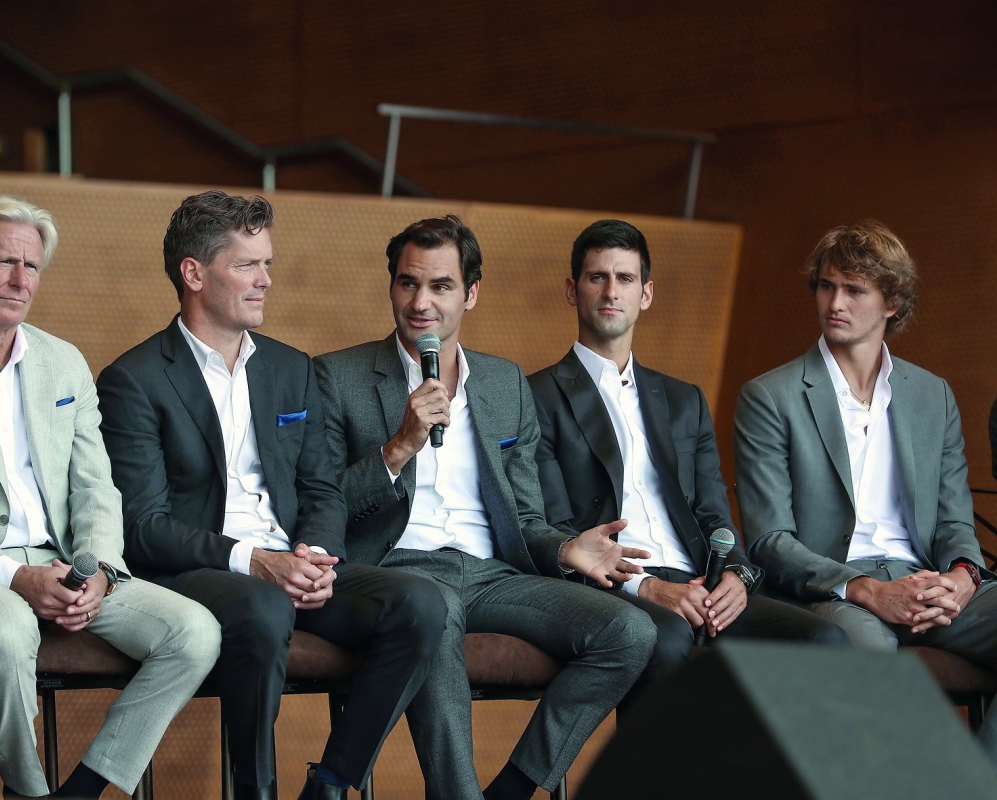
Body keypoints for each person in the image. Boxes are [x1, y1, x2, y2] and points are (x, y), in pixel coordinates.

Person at [0, 196, 221, 799]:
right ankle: (28, 792)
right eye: (5, 261)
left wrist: (103, 568)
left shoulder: (63, 362)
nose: (21, 280)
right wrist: (11, 576)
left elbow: (95, 486)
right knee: (4, 625)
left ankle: (81, 790)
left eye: (32, 267)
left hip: (61, 565)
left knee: (194, 632)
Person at [96, 191, 446, 800]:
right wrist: (255, 561)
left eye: (268, 264)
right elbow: (143, 527)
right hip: (197, 570)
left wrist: (317, 557)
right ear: (194, 273)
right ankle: (255, 790)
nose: (266, 281)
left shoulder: (290, 369)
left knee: (421, 603)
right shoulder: (135, 379)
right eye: (248, 265)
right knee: (264, 607)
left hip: (291, 565)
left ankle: (333, 783)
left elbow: (320, 489)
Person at [313, 214, 656, 800]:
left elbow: (524, 518)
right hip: (394, 570)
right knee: (436, 607)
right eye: (407, 283)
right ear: (391, 285)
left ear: (470, 293)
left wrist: (565, 548)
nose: (421, 302)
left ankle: (513, 789)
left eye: (441, 286)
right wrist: (397, 448)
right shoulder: (337, 376)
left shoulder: (503, 383)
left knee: (629, 632)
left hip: (494, 575)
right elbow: (319, 509)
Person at [530, 219, 843, 704]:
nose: (612, 291)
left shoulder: (683, 399)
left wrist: (738, 575)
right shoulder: (536, 395)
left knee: (824, 640)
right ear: (573, 291)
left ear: (647, 294)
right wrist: (648, 587)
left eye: (626, 279)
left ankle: (764, 782)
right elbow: (557, 526)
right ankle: (648, 783)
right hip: (614, 589)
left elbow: (715, 512)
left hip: (702, 581)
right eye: (597, 277)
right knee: (666, 636)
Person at [734, 219, 997, 760]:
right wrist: (869, 591)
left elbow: (953, 521)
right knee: (865, 663)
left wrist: (963, 577)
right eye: (827, 286)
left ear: (892, 303)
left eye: (855, 290)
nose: (836, 302)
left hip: (926, 582)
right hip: (837, 589)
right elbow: (769, 541)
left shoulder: (932, 394)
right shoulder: (770, 396)